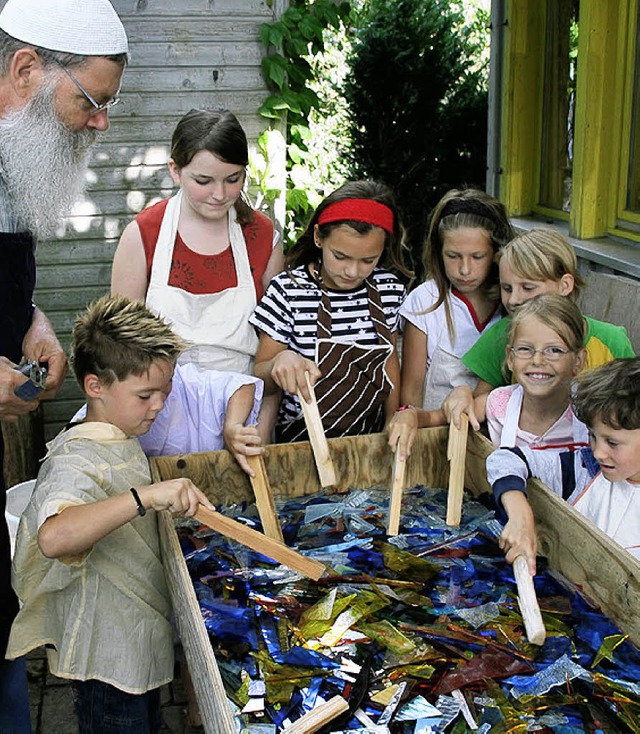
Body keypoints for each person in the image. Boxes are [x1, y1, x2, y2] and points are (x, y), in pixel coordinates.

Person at [0, 1, 128, 729]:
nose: (101, 121)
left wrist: (33, 323)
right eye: (93, 100)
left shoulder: (17, 154)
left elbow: (7, 287)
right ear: (26, 70)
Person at [6, 295, 214, 734]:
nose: (159, 405)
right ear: (95, 385)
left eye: (165, 392)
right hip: (107, 661)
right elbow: (54, 537)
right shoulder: (77, 456)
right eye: (145, 395)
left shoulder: (119, 434)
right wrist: (146, 496)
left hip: (134, 644)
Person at [111, 107, 284, 375]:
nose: (220, 194)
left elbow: (274, 345)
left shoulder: (262, 237)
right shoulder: (143, 234)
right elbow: (122, 347)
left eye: (233, 179)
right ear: (175, 170)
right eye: (203, 181)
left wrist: (261, 417)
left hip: (243, 401)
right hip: (161, 403)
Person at [249, 180, 413, 449]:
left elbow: (389, 361)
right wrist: (281, 360)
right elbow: (261, 377)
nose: (352, 271)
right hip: (301, 442)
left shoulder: (389, 290)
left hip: (369, 438)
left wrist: (391, 421)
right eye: (341, 256)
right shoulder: (289, 290)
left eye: (368, 260)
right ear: (318, 237)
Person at [443, 229, 635, 430]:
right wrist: (463, 393)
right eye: (507, 288)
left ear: (565, 285)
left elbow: (631, 410)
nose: (514, 300)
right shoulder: (503, 335)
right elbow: (477, 406)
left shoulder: (611, 340)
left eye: (528, 288)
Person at [486, 357, 640, 575]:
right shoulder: (585, 469)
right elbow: (505, 459)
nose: (598, 452)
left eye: (612, 443)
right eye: (593, 436)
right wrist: (520, 514)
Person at [399, 189, 513, 412]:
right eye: (453, 256)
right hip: (434, 433)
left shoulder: (511, 300)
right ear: (438, 252)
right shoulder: (425, 301)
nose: (464, 269)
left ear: (497, 253)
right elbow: (411, 392)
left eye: (477, 256)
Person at [486, 295, 587, 449]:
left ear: (578, 360)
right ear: (510, 358)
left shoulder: (591, 413)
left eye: (554, 350)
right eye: (525, 349)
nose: (537, 361)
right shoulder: (500, 406)